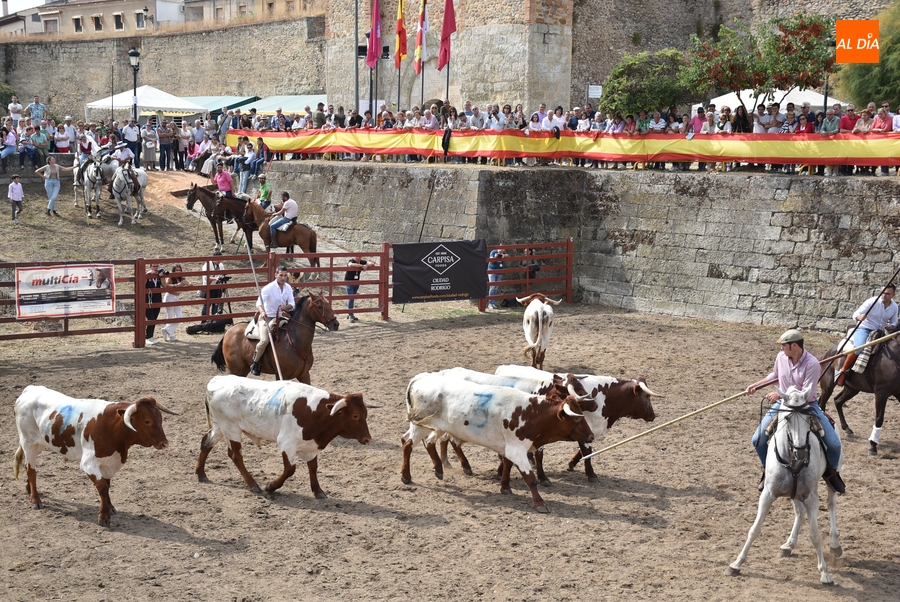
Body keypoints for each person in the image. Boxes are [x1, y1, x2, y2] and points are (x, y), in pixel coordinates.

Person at [745, 329, 845, 493]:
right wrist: (756, 385)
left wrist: (779, 394)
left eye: (784, 346)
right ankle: (766, 471)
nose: (781, 349)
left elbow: (805, 393)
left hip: (807, 406)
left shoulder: (812, 364)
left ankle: (832, 474)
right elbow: (775, 375)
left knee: (834, 445)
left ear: (794, 346)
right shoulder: (781, 357)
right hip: (784, 404)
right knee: (757, 440)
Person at [836, 285, 899, 386]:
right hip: (864, 329)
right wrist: (859, 317)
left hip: (879, 332)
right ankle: (843, 370)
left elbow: (894, 322)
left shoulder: (894, 307)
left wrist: (891, 326)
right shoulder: (872, 301)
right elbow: (856, 314)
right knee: (859, 348)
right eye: (883, 292)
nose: (884, 295)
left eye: (888, 294)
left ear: (893, 295)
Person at [250, 266, 295, 376]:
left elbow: (292, 304)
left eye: (285, 275)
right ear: (275, 275)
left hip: (280, 317)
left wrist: (286, 307)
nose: (283, 278)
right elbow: (258, 303)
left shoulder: (288, 288)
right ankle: (255, 362)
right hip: (267, 317)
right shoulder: (268, 288)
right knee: (265, 340)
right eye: (281, 275)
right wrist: (262, 312)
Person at [159, 265, 190, 342]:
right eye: (176, 270)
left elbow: (190, 284)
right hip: (170, 297)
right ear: (173, 271)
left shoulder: (181, 277)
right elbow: (166, 285)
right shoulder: (170, 277)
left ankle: (167, 330)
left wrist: (188, 284)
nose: (178, 271)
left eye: (179, 270)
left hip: (177, 297)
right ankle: (171, 335)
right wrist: (176, 285)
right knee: (170, 316)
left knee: (180, 317)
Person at [345, 256, 374, 322]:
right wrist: (361, 266)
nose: (358, 258)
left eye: (359, 256)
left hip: (356, 282)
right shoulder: (351, 260)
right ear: (353, 257)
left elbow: (372, 263)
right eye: (356, 256)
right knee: (351, 298)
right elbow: (350, 264)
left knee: (353, 298)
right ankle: (350, 314)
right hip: (349, 282)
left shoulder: (361, 261)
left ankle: (350, 313)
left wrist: (366, 265)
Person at [145, 263, 164, 345]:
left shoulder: (159, 276)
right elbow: (142, 284)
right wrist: (148, 275)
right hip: (148, 300)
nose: (156, 268)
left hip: (157, 299)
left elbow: (164, 285)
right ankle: (147, 337)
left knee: (154, 319)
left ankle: (151, 336)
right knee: (151, 318)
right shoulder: (147, 275)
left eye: (157, 266)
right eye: (154, 266)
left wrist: (162, 276)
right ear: (150, 267)